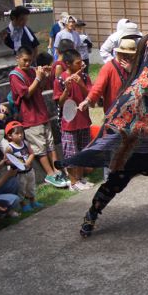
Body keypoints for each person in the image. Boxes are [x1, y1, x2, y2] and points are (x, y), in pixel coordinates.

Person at [65, 33, 148, 237]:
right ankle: (91, 215)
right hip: (135, 147)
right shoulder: (136, 86)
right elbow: (118, 115)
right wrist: (144, 124)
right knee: (114, 184)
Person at [9, 47, 68, 188]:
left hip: (41, 113)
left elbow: (39, 88)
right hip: (29, 117)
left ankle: (57, 170)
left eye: (30, 60)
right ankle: (50, 174)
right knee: (39, 147)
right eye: (25, 60)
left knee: (50, 143)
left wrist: (44, 76)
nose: (28, 64)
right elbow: (26, 94)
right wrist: (37, 77)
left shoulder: (31, 71)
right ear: (17, 59)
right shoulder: (15, 75)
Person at [53, 49, 93, 191]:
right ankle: (73, 182)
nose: (81, 64)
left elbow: (91, 97)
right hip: (69, 123)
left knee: (83, 151)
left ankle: (80, 179)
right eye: (78, 62)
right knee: (71, 153)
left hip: (83, 120)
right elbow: (60, 103)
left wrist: (81, 84)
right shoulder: (60, 80)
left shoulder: (84, 77)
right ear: (68, 64)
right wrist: (66, 89)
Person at [79, 38, 136, 114]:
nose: (129, 57)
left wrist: (131, 70)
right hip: (114, 111)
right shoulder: (109, 67)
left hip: (131, 110)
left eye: (131, 55)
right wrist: (88, 100)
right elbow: (98, 87)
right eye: (126, 54)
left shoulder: (135, 66)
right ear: (119, 53)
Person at [3, 121, 41, 212]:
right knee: (21, 189)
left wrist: (28, 162)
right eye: (17, 133)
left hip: (29, 170)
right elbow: (6, 160)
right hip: (19, 174)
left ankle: (33, 202)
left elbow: (32, 153)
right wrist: (14, 163)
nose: (20, 135)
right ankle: (23, 205)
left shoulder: (26, 143)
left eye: (21, 132)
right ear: (9, 136)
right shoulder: (9, 148)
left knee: (31, 187)